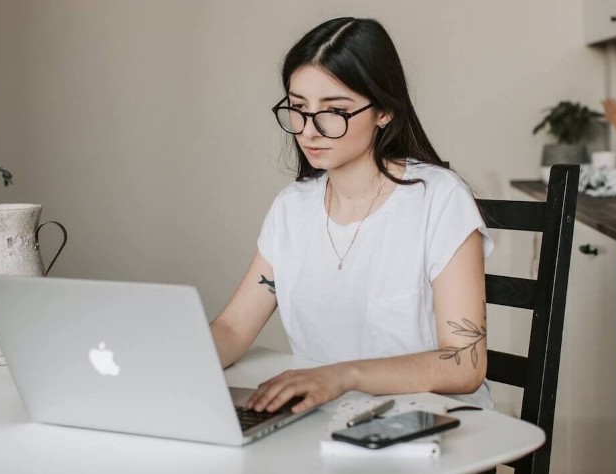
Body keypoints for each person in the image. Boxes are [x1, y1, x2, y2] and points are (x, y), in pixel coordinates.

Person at [209, 17, 495, 414]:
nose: (309, 131)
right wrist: (165, 362)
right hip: (324, 421)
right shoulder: (291, 209)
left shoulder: (440, 200)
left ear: (384, 111)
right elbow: (233, 329)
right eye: (298, 108)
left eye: (334, 110)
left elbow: (465, 362)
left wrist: (343, 376)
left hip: (432, 423)